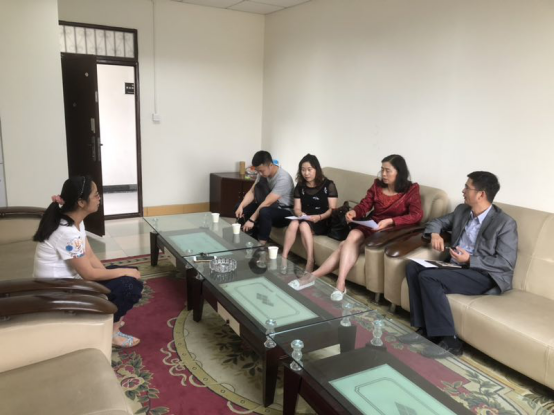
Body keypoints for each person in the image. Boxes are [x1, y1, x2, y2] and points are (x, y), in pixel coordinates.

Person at [400, 172, 518, 358]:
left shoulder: (505, 223)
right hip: (456, 267)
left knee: (428, 277)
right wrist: (435, 234)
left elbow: (505, 263)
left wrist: (470, 259)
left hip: (483, 274)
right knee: (412, 267)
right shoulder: (463, 210)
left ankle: (450, 341)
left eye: (467, 187)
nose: (463, 191)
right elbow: (437, 222)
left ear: (481, 194)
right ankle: (425, 331)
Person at [33, 176, 143, 348]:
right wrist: (123, 275)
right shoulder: (66, 232)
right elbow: (88, 274)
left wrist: (113, 278)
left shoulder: (74, 221)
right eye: (96, 195)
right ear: (81, 202)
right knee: (129, 285)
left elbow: (89, 256)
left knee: (128, 276)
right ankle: (112, 333)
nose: (100, 198)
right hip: (59, 292)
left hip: (71, 281)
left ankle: (110, 317)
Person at [312, 155, 423, 301]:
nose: (383, 174)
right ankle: (340, 283)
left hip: (392, 231)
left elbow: (416, 215)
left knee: (344, 245)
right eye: (382, 170)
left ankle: (315, 277)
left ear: (399, 172)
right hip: (372, 224)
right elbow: (365, 205)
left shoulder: (411, 190)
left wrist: (391, 221)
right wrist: (354, 212)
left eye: (388, 170)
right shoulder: (377, 185)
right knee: (352, 235)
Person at [282, 154, 338, 273]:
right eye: (303, 170)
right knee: (294, 223)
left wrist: (319, 217)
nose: (306, 173)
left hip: (323, 218)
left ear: (316, 169)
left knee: (303, 225)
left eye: (309, 169)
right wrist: (300, 214)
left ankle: (310, 260)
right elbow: (297, 208)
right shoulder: (300, 186)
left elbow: (332, 210)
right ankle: (284, 257)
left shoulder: (329, 185)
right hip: (306, 216)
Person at [236, 151, 295, 245]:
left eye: (261, 170)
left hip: (284, 212)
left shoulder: (283, 178)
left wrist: (251, 220)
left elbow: (267, 202)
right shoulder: (262, 174)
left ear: (270, 165)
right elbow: (252, 192)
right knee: (239, 206)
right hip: (269, 206)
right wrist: (241, 206)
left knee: (264, 211)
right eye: (258, 171)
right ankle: (251, 238)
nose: (259, 173)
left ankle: (261, 246)